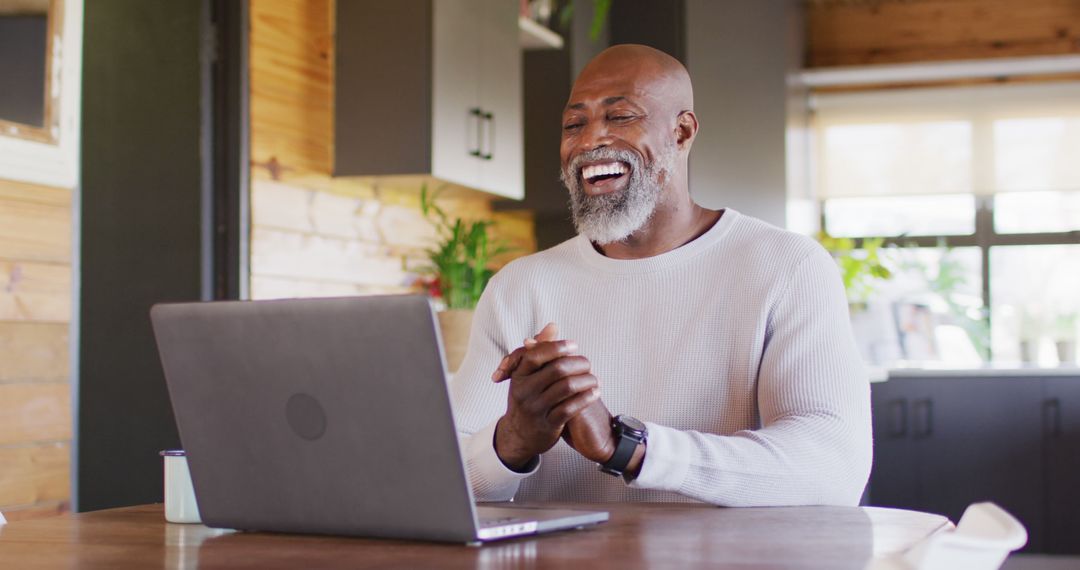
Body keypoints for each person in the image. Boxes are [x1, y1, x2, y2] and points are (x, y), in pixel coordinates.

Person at [449, 44, 871, 507]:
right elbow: (445, 482)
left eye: (621, 117)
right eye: (574, 124)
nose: (590, 141)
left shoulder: (787, 267)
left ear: (682, 132)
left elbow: (832, 468)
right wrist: (512, 440)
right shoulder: (520, 286)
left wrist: (626, 447)